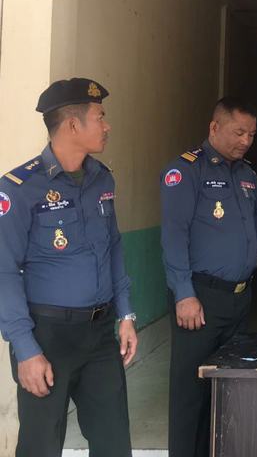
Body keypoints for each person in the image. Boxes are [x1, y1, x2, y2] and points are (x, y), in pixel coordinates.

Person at [0, 78, 137, 456]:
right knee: (40, 445)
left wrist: (126, 314)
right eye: (100, 117)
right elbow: (4, 272)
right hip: (47, 337)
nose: (107, 126)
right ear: (74, 125)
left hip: (99, 335)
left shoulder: (102, 178)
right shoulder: (18, 188)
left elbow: (113, 246)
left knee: (113, 441)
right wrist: (25, 349)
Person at [160, 97, 257, 457]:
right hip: (200, 298)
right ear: (214, 127)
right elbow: (174, 235)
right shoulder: (186, 171)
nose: (246, 141)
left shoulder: (247, 174)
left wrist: (251, 257)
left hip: (238, 299)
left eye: (251, 134)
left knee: (225, 389)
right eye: (239, 132)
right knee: (190, 391)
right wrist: (183, 293)